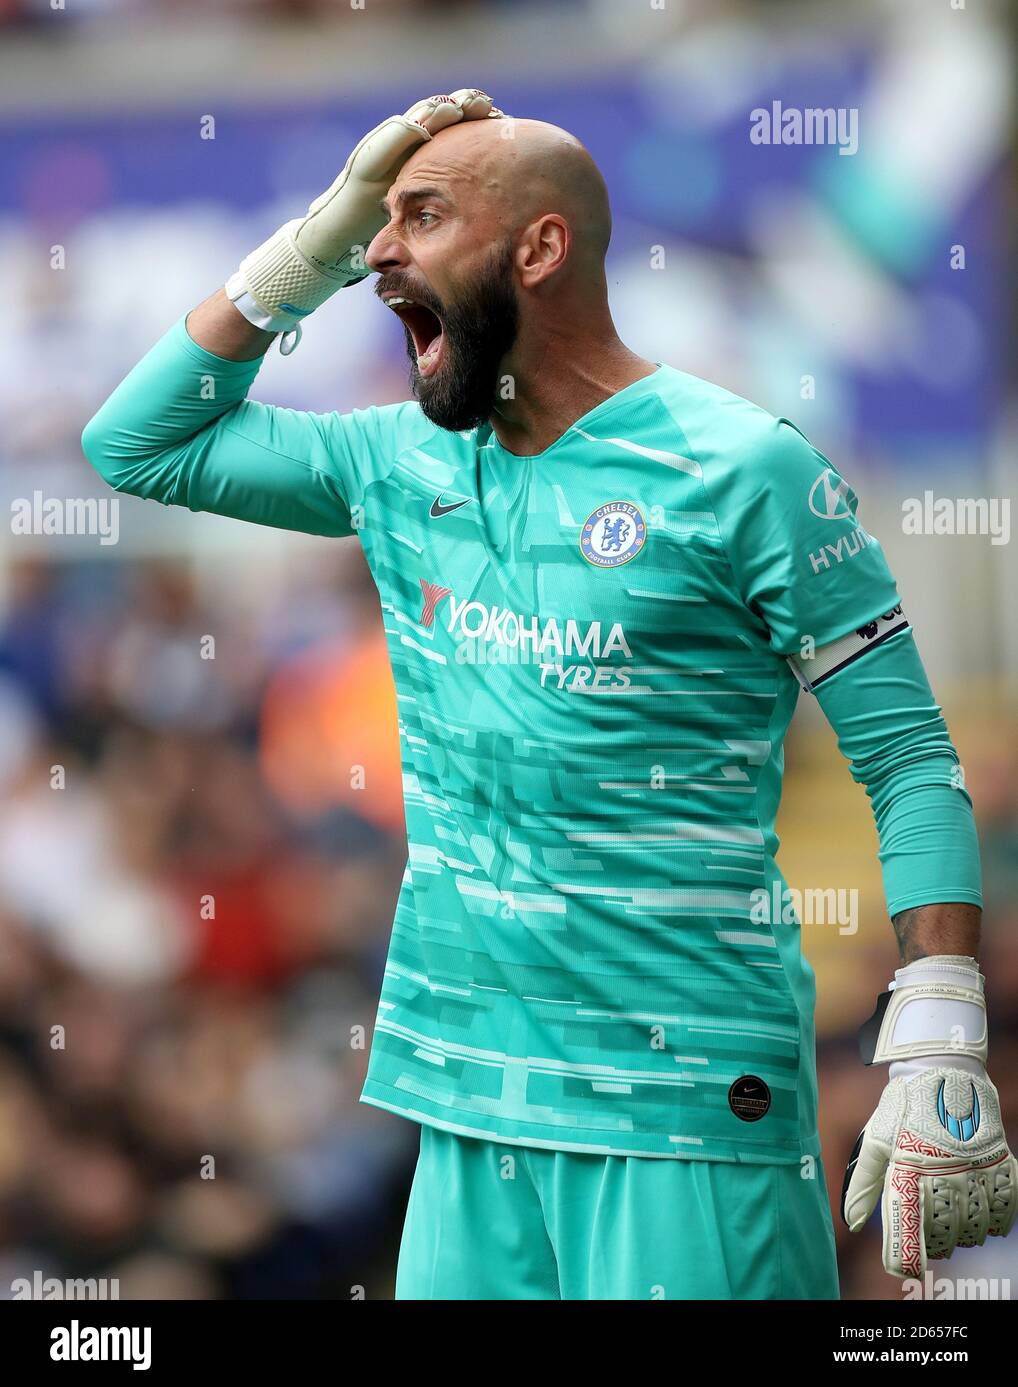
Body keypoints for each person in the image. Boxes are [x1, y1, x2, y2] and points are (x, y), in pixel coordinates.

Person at [82, 90, 1016, 1300]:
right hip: (462, 1091)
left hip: (683, 1101)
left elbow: (909, 764)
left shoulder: (746, 468)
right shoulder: (395, 461)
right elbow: (137, 442)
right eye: (376, 223)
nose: (379, 253)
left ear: (539, 247)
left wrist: (938, 1022)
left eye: (418, 216)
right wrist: (318, 231)